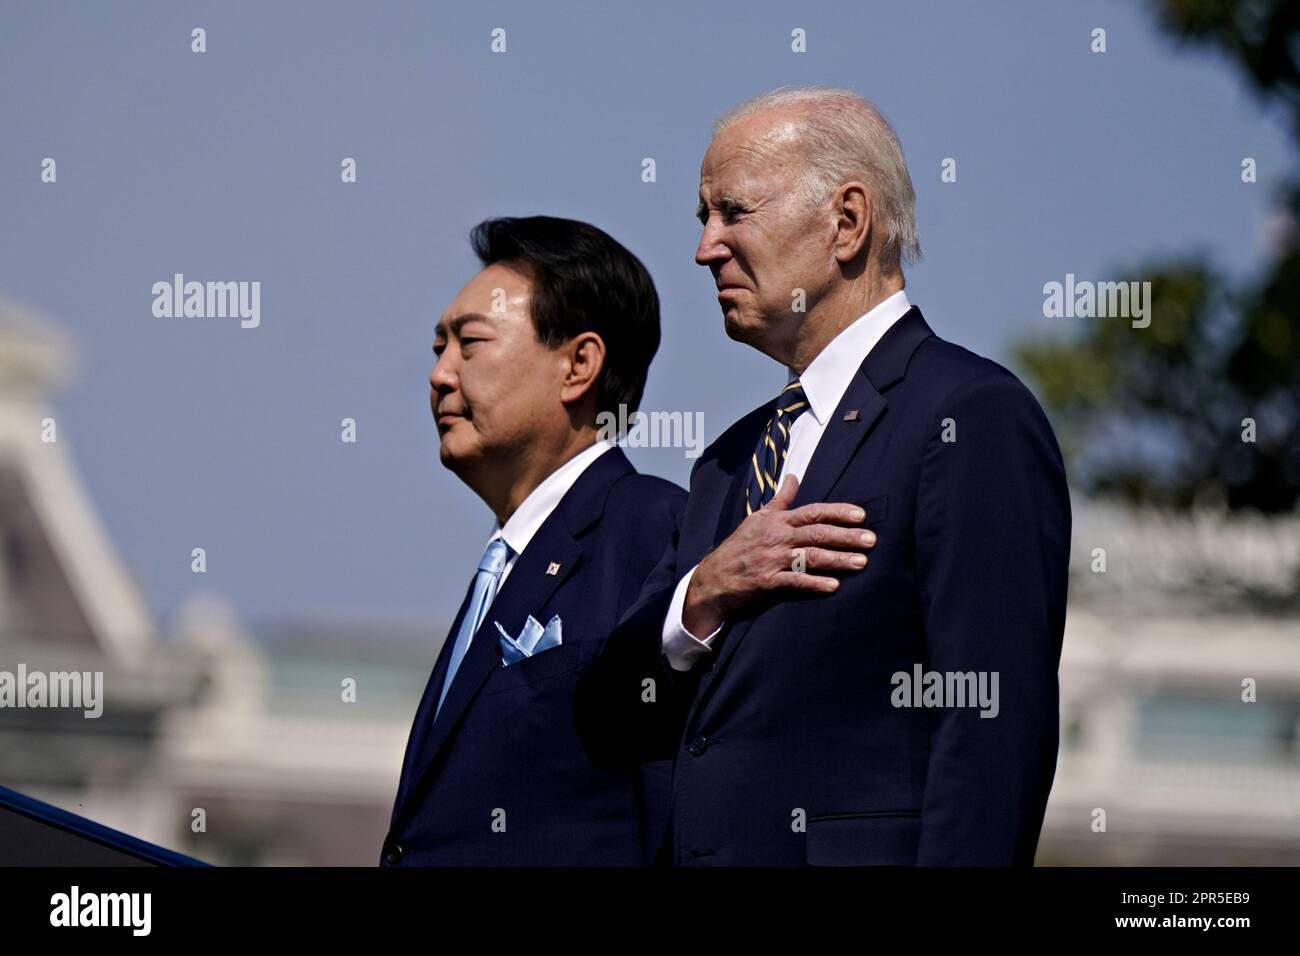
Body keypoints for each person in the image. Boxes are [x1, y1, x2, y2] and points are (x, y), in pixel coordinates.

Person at [576, 87, 1071, 866]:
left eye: (733, 213)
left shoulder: (968, 416)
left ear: (847, 222)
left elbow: (991, 729)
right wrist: (702, 593)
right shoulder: (729, 460)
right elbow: (608, 713)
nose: (706, 248)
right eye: (703, 218)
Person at [383, 216, 684, 865]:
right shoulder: (503, 562)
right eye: (438, 348)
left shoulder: (652, 529)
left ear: (578, 365)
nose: (439, 374)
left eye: (470, 344)